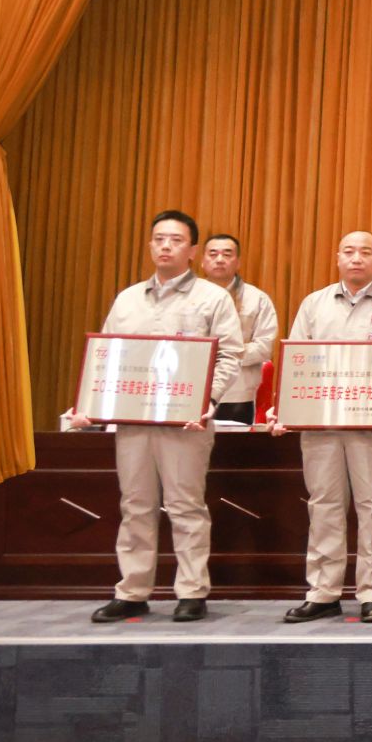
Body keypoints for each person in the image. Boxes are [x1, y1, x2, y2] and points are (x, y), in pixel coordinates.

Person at [80, 211, 245, 624]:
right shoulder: (128, 299)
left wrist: (207, 399)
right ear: (151, 245)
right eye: (159, 239)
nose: (165, 246)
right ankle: (133, 591)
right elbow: (108, 354)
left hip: (186, 421)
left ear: (192, 250)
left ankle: (191, 591)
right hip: (134, 420)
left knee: (185, 506)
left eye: (175, 240)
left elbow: (230, 354)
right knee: (135, 504)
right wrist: (93, 404)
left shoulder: (212, 298)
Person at [269, 231, 372, 624]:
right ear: (337, 258)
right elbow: (295, 360)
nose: (356, 258)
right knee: (324, 506)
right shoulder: (314, 303)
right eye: (349, 252)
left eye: (365, 252)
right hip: (321, 424)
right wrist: (285, 410)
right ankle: (323, 592)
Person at [198, 233, 278, 425]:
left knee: (233, 444)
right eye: (213, 254)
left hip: (237, 395)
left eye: (227, 254)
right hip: (194, 391)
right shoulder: (188, 298)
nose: (219, 259)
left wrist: (224, 354)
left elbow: (264, 347)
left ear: (238, 262)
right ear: (202, 261)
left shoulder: (257, 299)